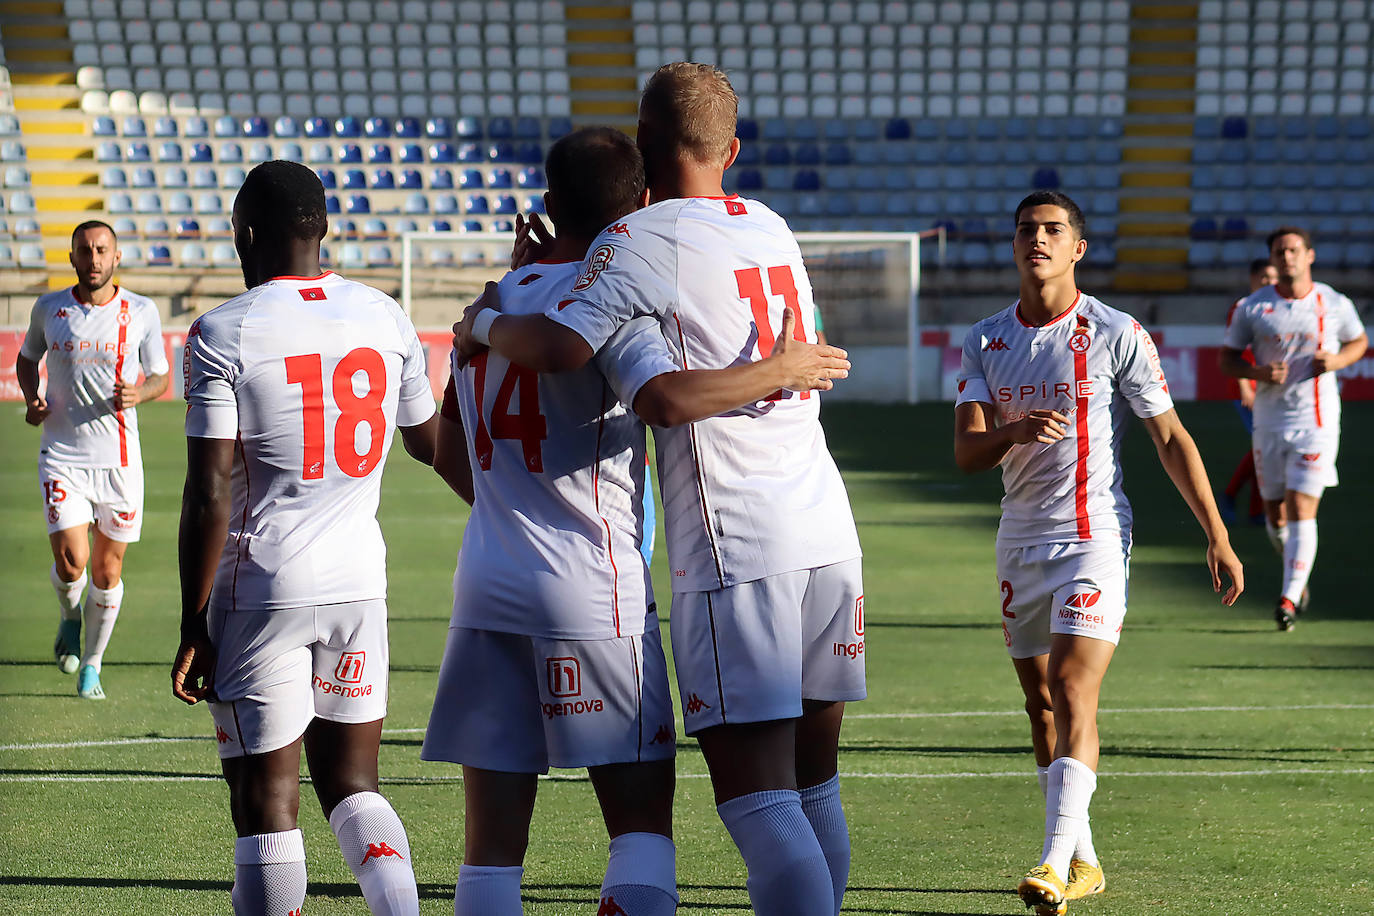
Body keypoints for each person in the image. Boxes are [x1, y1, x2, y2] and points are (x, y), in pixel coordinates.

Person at [452, 63, 865, 916]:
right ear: (733, 149)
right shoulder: (773, 226)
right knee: (816, 785)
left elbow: (593, 363)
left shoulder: (635, 244)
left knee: (759, 801)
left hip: (738, 542)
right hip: (827, 529)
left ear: (647, 151)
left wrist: (487, 317)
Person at [954, 191, 1243, 915]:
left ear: (1077, 247)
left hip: (1094, 536)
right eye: (1026, 230)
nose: (1038, 240)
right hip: (1019, 540)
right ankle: (1082, 859)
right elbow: (965, 452)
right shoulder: (985, 339)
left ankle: (1051, 865)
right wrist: (1010, 434)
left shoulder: (1114, 332)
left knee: (1075, 690)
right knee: (1040, 707)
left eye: (1053, 230)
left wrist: (1218, 532)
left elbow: (1170, 438)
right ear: (1014, 244)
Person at [171, 160, 439, 916]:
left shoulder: (223, 330)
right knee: (355, 786)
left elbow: (210, 490)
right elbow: (429, 440)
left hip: (264, 584)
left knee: (267, 799)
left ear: (246, 234)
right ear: (320, 229)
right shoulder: (384, 316)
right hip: (360, 580)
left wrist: (194, 620)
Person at [16, 220, 169, 700]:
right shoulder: (49, 308)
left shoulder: (141, 311)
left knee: (107, 572)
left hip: (120, 462)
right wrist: (31, 397)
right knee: (72, 561)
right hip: (62, 455)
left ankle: (93, 664)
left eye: (103, 249)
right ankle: (69, 618)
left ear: (116, 257)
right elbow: (26, 359)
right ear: (73, 257)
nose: (95, 258)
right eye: (86, 250)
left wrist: (139, 393)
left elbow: (161, 377)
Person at [1220, 226, 1367, 631]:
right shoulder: (1253, 306)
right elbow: (1227, 360)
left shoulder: (1333, 302)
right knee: (1274, 516)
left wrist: (1337, 362)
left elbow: (1358, 341)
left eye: (1294, 250)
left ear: (1309, 256)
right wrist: (1257, 372)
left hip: (1316, 422)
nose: (1287, 257)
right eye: (1280, 251)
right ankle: (1296, 579)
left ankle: (1288, 597)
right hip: (1269, 421)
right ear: (1273, 258)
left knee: (1303, 507)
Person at [1218, 257, 1278, 526]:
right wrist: (1245, 386)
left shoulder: (1274, 307)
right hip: (1248, 386)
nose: (1269, 282)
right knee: (1261, 447)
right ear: (1253, 278)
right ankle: (1231, 496)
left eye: (1273, 278)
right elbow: (1237, 349)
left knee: (1263, 448)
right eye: (1264, 277)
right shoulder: (1243, 307)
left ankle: (1257, 511)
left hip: (1268, 388)